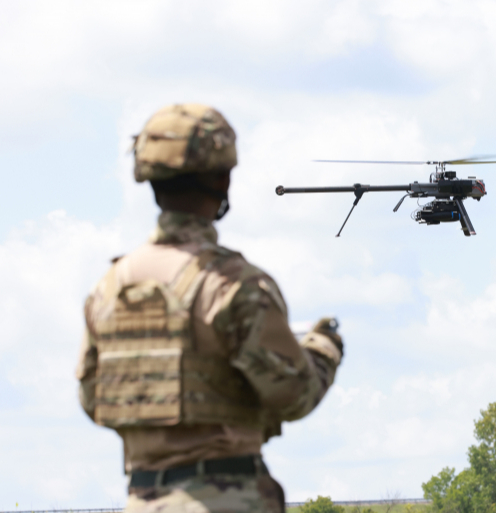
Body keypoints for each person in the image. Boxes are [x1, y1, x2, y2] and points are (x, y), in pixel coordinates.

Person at [75, 104, 343, 513]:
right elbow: (293, 395)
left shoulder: (109, 290)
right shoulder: (235, 285)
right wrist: (323, 349)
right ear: (223, 179)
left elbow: (92, 398)